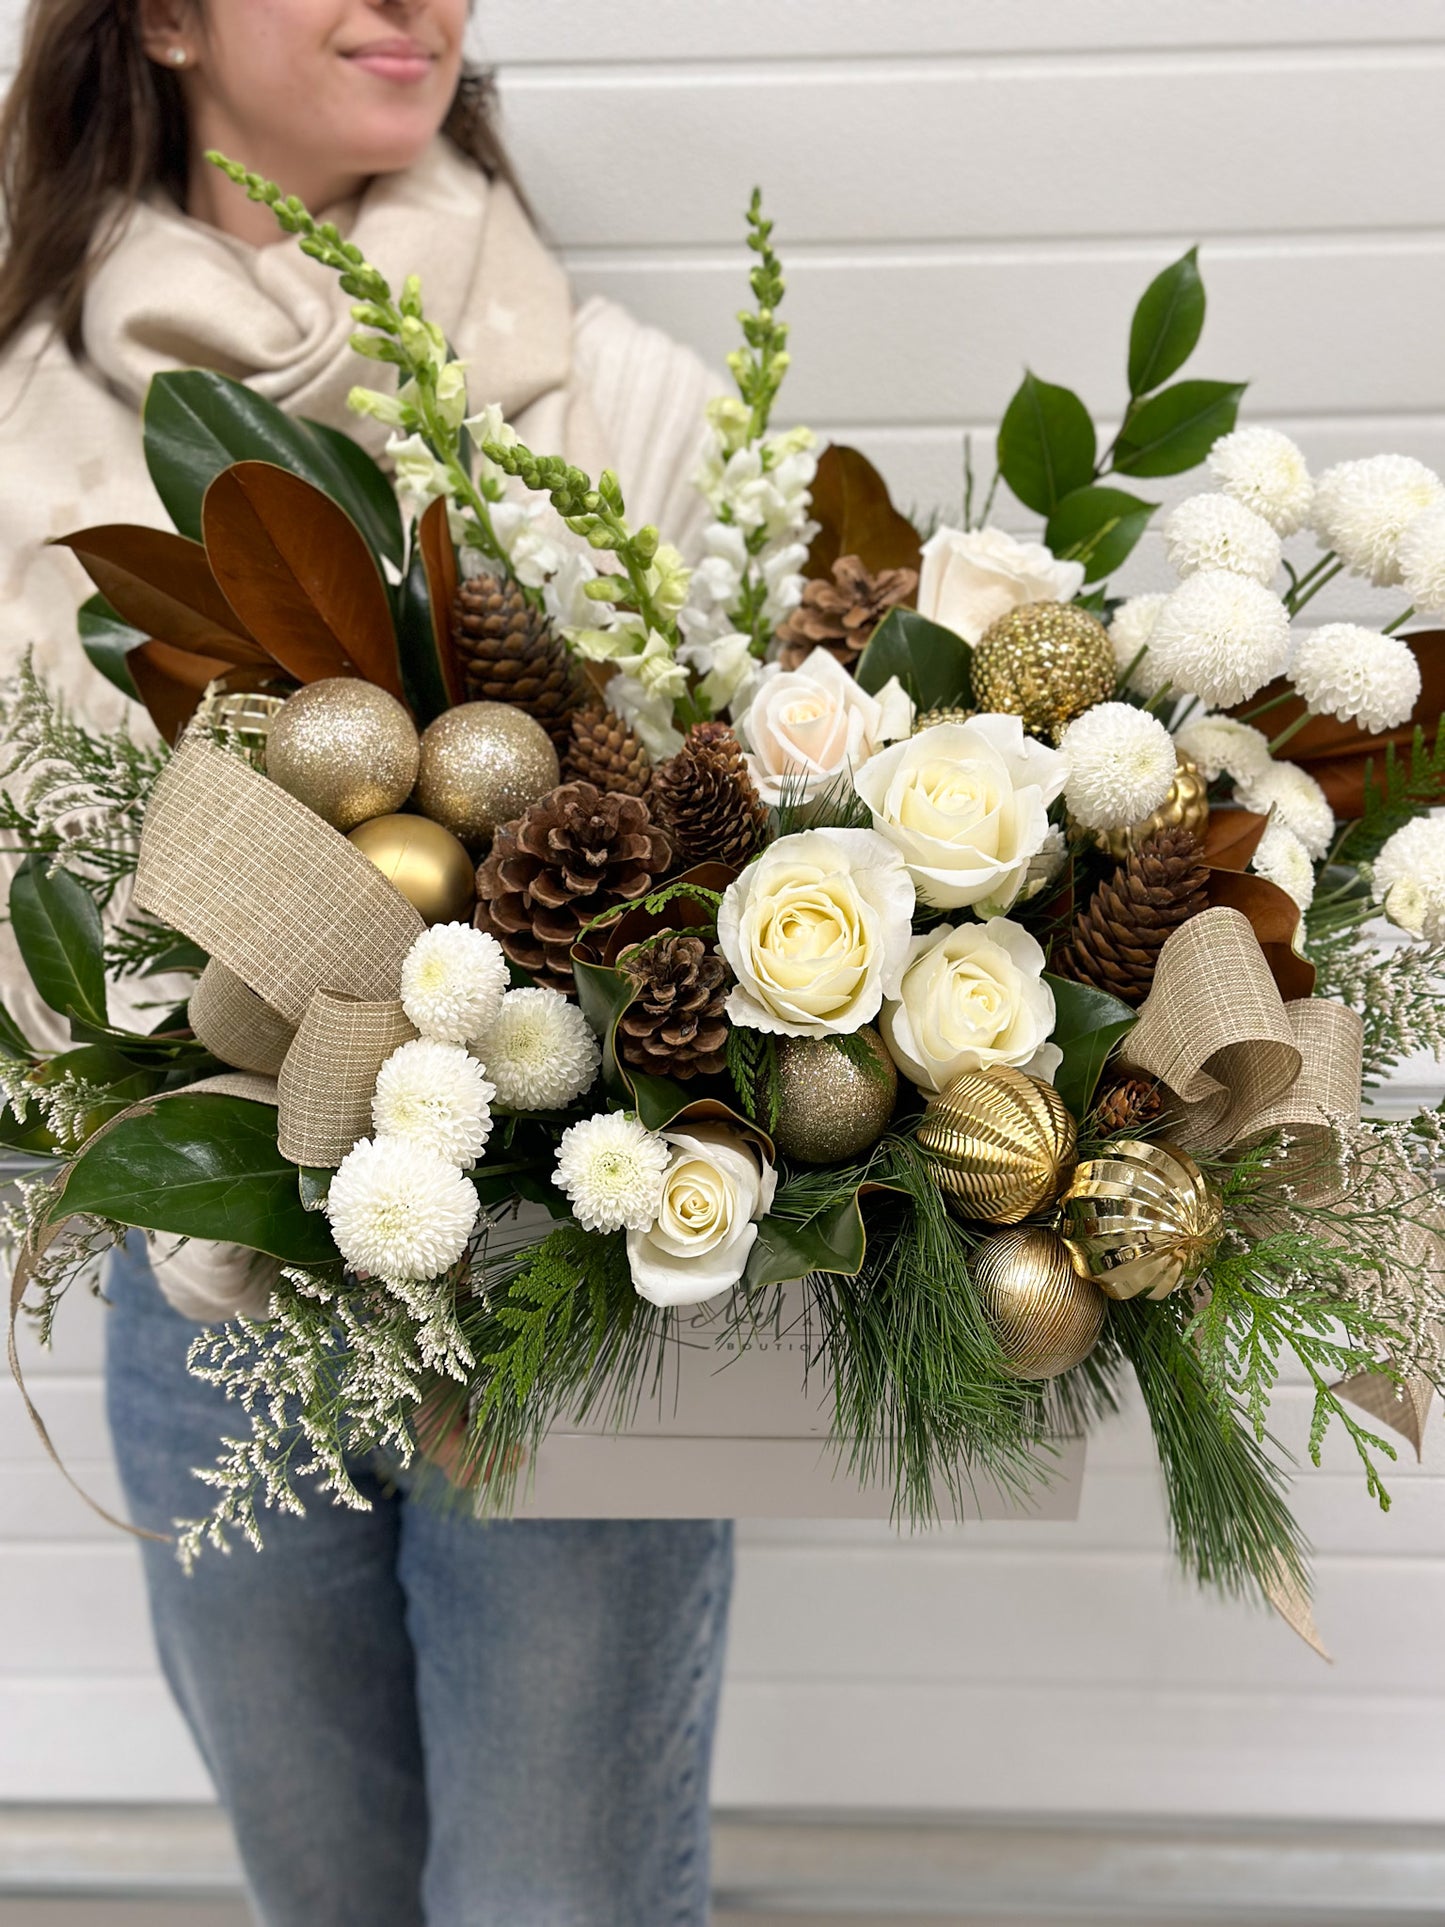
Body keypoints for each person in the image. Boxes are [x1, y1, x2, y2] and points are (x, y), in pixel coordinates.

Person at [0, 5, 732, 1923]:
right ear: (156, 18)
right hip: (205, 1255)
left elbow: (722, 822)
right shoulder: (21, 419)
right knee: (317, 1878)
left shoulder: (614, 399)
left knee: (557, 1892)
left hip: (562, 1258)